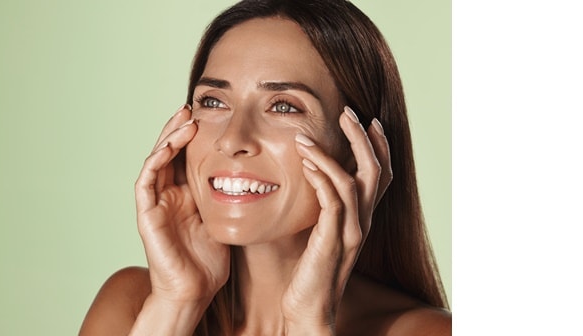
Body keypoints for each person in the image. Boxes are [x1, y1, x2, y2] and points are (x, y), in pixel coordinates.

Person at [79, 0, 451, 335]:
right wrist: (176, 306)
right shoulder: (130, 308)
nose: (232, 138)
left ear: (358, 152)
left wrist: (309, 322)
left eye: (283, 106)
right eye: (213, 101)